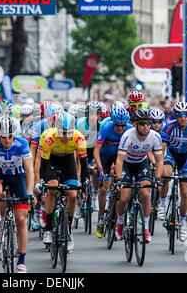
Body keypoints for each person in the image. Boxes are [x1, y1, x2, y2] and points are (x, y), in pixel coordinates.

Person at [34, 112, 90, 253]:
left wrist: (85, 185)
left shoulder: (79, 139)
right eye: (63, 133)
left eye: (68, 133)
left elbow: (84, 165)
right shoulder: (48, 138)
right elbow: (43, 163)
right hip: (51, 161)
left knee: (72, 194)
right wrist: (41, 182)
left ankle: (68, 229)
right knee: (52, 189)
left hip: (67, 161)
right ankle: (48, 227)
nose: (65, 137)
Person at [0, 116, 34, 273]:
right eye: (4, 137)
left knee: (21, 219)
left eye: (10, 136)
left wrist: (30, 192)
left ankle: (21, 260)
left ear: (15, 134)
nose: (7, 140)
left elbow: (30, 170)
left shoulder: (22, 144)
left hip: (17, 177)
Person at [114, 108, 164, 243]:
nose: (146, 126)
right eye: (142, 123)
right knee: (124, 197)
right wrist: (119, 180)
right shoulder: (127, 136)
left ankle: (145, 228)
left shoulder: (155, 136)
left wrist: (157, 179)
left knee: (146, 194)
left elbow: (159, 160)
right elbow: (119, 160)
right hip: (127, 165)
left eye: (148, 123)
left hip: (142, 164)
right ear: (136, 124)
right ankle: (119, 223)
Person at [159, 102, 187, 242]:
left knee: (184, 191)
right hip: (171, 154)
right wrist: (160, 165)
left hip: (186, 158)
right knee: (166, 175)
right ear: (176, 116)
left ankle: (182, 224)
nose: (182, 118)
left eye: (185, 115)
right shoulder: (169, 127)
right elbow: (162, 149)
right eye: (180, 115)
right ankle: (162, 204)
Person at [93, 107, 133, 238]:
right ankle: (101, 220)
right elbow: (96, 150)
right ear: (113, 122)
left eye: (123, 125)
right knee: (104, 189)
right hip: (105, 156)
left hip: (120, 157)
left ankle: (121, 216)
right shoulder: (106, 127)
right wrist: (100, 169)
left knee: (123, 188)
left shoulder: (130, 129)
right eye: (117, 125)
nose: (120, 128)